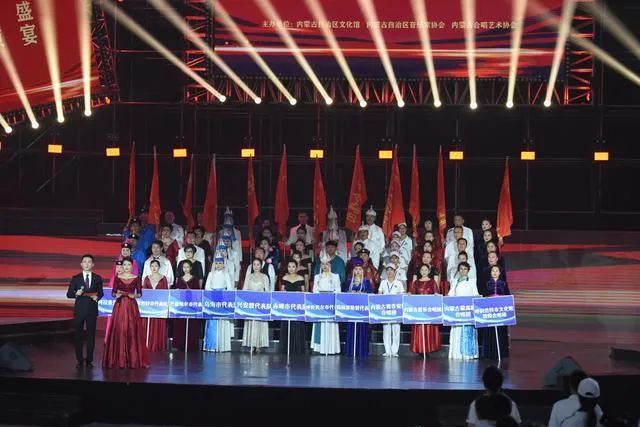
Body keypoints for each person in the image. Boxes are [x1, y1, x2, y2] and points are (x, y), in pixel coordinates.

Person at [103, 257, 149, 368]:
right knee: (120, 328)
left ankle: (133, 359)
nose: (127, 267)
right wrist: (116, 295)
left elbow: (140, 293)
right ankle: (118, 358)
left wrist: (135, 295)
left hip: (131, 306)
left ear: (132, 266)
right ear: (122, 266)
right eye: (124, 265)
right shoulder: (117, 278)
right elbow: (113, 293)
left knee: (132, 329)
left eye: (129, 265)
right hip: (120, 305)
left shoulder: (136, 278)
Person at [66, 254, 103, 369]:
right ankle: (79, 360)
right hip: (80, 310)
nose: (87, 264)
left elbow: (101, 293)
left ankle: (89, 360)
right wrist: (75, 293)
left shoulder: (97, 278)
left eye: (89, 262)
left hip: (92, 310)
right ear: (81, 264)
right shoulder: (76, 278)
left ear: (93, 264)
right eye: (85, 262)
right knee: (78, 336)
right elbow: (69, 294)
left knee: (91, 336)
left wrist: (97, 297)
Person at [203, 255, 235, 352]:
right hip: (212, 299)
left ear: (223, 264)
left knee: (222, 320)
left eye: (220, 263)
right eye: (216, 263)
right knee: (211, 322)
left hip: (222, 299)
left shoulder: (226, 274)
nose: (218, 265)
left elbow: (229, 288)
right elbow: (207, 287)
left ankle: (221, 345)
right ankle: (211, 346)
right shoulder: (210, 274)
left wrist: (223, 296)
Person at [479, 265, 511, 359]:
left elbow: (508, 297)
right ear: (490, 272)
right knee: (490, 331)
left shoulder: (504, 284)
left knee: (500, 331)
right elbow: (483, 297)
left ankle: (500, 352)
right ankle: (489, 353)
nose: (495, 272)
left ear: (500, 273)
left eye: (497, 271)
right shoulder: (487, 284)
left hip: (500, 312)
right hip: (490, 312)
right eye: (493, 271)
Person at [448, 262, 479, 360]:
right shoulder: (455, 281)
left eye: (465, 269)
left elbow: (476, 295)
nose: (463, 271)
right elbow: (450, 295)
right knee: (457, 331)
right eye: (461, 269)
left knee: (468, 332)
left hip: (468, 312)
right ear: (458, 270)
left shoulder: (472, 281)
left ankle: (468, 354)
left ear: (468, 270)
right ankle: (457, 354)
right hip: (457, 313)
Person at [311, 256, 341, 354]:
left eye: (327, 264)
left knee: (330, 325)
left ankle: (331, 347)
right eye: (323, 264)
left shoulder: (335, 276)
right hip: (320, 305)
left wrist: (330, 296)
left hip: (331, 305)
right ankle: (319, 348)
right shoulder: (317, 277)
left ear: (330, 265)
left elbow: (338, 290)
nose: (325, 266)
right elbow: (314, 290)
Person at [408, 263, 441, 355]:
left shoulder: (432, 282)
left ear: (429, 271)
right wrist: (410, 295)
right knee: (419, 328)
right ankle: (420, 348)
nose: (424, 272)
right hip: (419, 311)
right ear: (419, 271)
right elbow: (412, 295)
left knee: (429, 328)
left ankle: (429, 348)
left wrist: (437, 295)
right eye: (422, 270)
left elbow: (436, 294)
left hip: (429, 311)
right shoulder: (416, 283)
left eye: (426, 270)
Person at [344, 258, 373, 357]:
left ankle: (362, 351)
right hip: (351, 311)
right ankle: (351, 351)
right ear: (353, 271)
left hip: (362, 311)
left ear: (362, 270)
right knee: (351, 329)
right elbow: (344, 294)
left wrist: (363, 293)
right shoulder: (349, 281)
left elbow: (370, 294)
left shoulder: (366, 281)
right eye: (356, 269)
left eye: (360, 269)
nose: (358, 271)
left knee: (362, 329)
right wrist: (350, 293)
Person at [278, 260, 307, 355]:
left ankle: (298, 349)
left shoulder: (300, 278)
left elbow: (304, 292)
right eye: (289, 266)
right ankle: (286, 348)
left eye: (293, 266)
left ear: (296, 267)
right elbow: (281, 292)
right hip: (287, 308)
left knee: (297, 326)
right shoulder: (284, 277)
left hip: (297, 308)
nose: (291, 269)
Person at [172, 260, 201, 352]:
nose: (186, 269)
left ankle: (191, 345)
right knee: (180, 324)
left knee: (192, 325)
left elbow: (197, 292)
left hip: (192, 306)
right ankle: (180, 344)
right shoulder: (180, 279)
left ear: (191, 268)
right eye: (184, 267)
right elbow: (177, 292)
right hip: (181, 306)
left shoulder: (195, 279)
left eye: (187, 267)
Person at [242, 258, 270, 353]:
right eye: (254, 264)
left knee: (260, 323)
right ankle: (251, 344)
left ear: (261, 266)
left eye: (258, 264)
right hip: (250, 303)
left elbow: (267, 291)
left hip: (261, 304)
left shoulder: (265, 277)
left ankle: (259, 345)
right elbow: (244, 289)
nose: (256, 266)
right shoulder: (249, 276)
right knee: (251, 322)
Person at [142, 259, 169, 352]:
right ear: (150, 267)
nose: (154, 268)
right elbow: (144, 293)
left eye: (156, 266)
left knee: (159, 325)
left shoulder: (163, 278)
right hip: (148, 307)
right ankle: (146, 344)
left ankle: (158, 345)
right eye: (152, 266)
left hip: (159, 308)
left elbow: (165, 293)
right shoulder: (146, 278)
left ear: (159, 267)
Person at [379, 264, 404, 357]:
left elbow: (402, 295)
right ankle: (387, 350)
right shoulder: (383, 282)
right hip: (385, 309)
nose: (389, 272)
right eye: (388, 270)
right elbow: (379, 293)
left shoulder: (399, 283)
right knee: (386, 330)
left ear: (395, 272)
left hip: (396, 309)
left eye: (391, 270)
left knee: (396, 330)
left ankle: (394, 351)